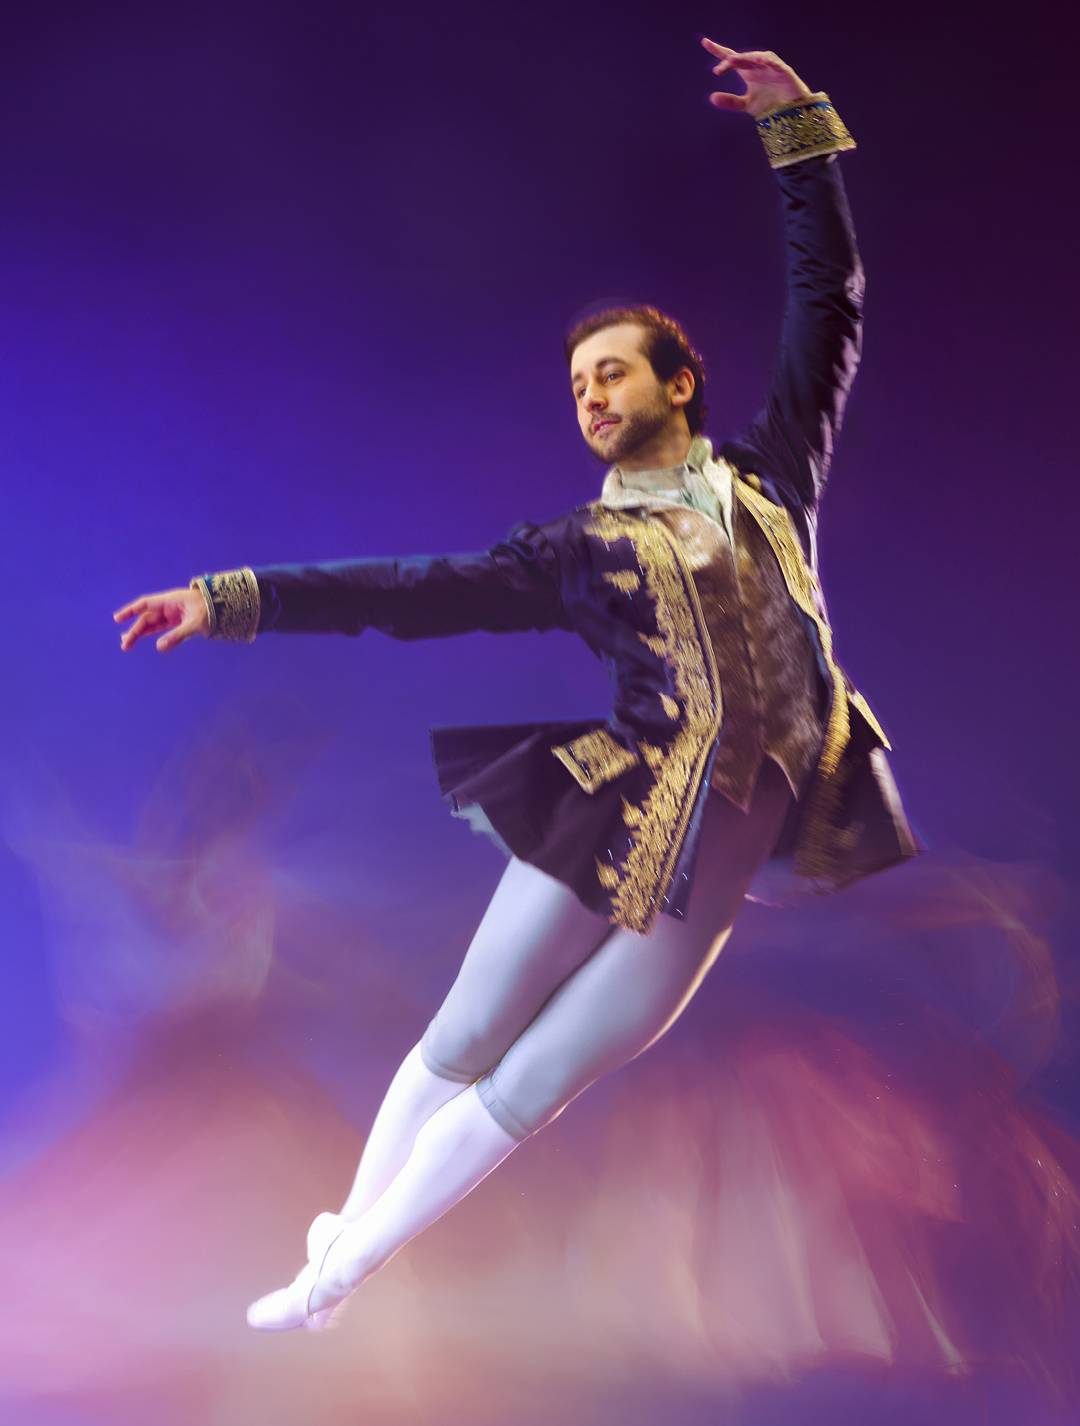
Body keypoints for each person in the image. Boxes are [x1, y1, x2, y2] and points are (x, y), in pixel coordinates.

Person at [113, 37, 921, 1332]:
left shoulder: (771, 482)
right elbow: (409, 592)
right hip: (612, 806)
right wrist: (232, 597)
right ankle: (335, 1274)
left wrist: (800, 135)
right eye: (578, 385)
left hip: (733, 837)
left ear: (680, 381)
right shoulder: (574, 549)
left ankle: (345, 1251)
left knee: (543, 1079)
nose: (593, 398)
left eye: (614, 372)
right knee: (472, 1031)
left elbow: (832, 307)